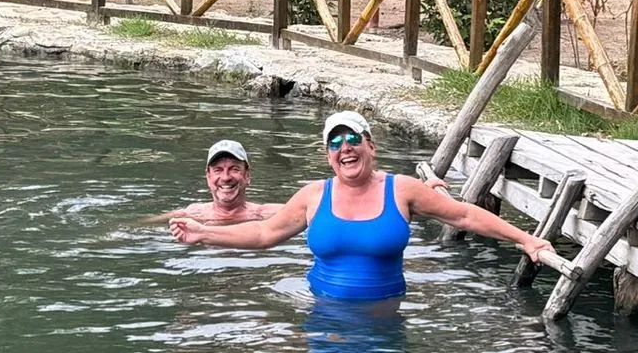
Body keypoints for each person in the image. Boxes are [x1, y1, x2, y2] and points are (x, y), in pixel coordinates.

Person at [169, 110, 552, 301]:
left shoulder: (402, 190)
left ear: (371, 146)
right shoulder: (313, 195)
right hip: (323, 314)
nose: (345, 148)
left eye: (353, 139)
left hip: (384, 317)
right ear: (328, 156)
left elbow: (465, 215)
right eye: (335, 143)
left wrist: (526, 239)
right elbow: (264, 234)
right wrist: (205, 234)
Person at [158, 139, 282, 225]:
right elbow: (146, 225)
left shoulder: (269, 215)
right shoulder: (190, 216)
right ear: (208, 177)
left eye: (234, 169)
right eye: (218, 170)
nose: (226, 177)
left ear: (247, 175)